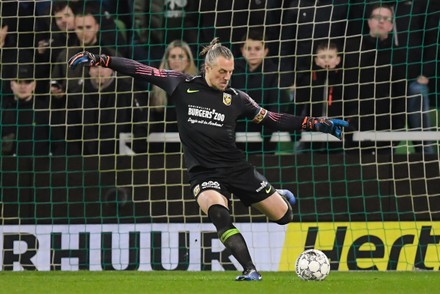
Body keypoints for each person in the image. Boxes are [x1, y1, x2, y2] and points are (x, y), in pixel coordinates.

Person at [67, 38, 348, 281]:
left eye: (231, 72)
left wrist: (315, 123)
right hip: (203, 172)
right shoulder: (180, 84)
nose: (227, 77)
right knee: (218, 213)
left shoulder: (238, 98)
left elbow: (273, 120)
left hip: (237, 168)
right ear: (207, 68)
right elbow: (141, 70)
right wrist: (101, 59)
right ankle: (250, 269)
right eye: (222, 72)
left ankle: (279, 195)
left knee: (284, 217)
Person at [343, 4, 406, 155]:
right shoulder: (353, 49)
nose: (381, 21)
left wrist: (396, 130)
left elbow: (400, 95)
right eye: (377, 18)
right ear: (369, 22)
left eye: (386, 19)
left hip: (386, 130)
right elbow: (345, 88)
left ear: (391, 25)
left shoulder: (398, 55)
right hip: (355, 128)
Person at [65, 57, 149, 156]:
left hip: (122, 157)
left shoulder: (128, 92)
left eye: (104, 67)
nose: (99, 71)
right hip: (88, 160)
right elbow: (71, 131)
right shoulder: (77, 95)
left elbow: (143, 123)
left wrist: (131, 149)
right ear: (89, 70)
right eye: (95, 67)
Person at [230, 28, 290, 153]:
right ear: (242, 50)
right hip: (235, 136)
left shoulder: (274, 73)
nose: (252, 52)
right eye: (248, 48)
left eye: (257, 49)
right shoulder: (232, 73)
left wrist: (267, 130)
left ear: (265, 51)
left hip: (264, 139)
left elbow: (277, 105)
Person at [295, 41, 344, 153]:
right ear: (316, 60)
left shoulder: (343, 81)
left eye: (330, 56)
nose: (326, 60)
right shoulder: (307, 81)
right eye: (322, 57)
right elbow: (297, 108)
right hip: (310, 139)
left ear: (338, 60)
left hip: (337, 139)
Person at [1, 65, 54, 156]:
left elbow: (57, 143)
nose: (23, 86)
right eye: (18, 82)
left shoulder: (45, 110)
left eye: (27, 82)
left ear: (34, 85)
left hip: (40, 166)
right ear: (11, 85)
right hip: (8, 167)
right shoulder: (3, 111)